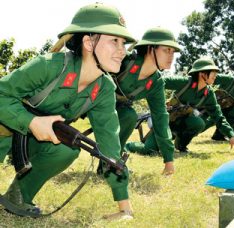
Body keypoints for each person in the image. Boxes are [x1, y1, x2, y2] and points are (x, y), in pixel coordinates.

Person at [0, 3, 135, 219]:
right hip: (3, 131)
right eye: (114, 41)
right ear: (89, 42)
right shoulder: (49, 66)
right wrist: (32, 122)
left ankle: (18, 196)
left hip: (30, 141)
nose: (123, 50)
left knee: (67, 148)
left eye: (124, 42)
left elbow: (109, 144)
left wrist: (124, 208)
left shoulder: (104, 88)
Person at [97, 27, 180, 176]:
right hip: (92, 101)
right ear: (150, 48)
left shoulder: (156, 82)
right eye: (166, 50)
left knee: (129, 115)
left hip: (117, 109)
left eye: (173, 52)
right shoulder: (124, 60)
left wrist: (169, 160)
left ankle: (109, 163)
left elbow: (160, 117)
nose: (171, 56)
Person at [125, 57, 234, 154]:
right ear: (202, 73)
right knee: (149, 150)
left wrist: (231, 136)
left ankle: (181, 145)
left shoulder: (209, 94)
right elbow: (159, 80)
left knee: (198, 123)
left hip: (182, 124)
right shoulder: (184, 82)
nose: (216, 75)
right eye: (213, 72)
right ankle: (129, 145)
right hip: (165, 123)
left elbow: (218, 117)